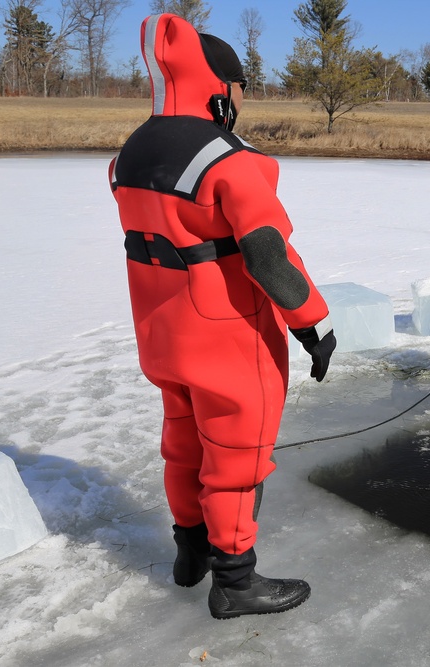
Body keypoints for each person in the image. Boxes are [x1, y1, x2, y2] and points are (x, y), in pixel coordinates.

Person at [108, 14, 335, 619]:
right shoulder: (230, 161)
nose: (239, 102)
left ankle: (190, 556)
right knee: (234, 459)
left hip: (161, 335)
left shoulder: (130, 154)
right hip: (227, 338)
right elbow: (268, 255)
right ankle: (235, 581)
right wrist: (312, 323)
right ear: (219, 87)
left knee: (183, 448)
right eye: (238, 89)